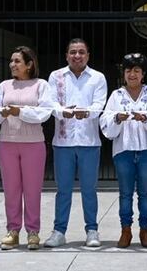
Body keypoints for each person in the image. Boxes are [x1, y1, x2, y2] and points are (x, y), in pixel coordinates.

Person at [44, 38, 108, 248]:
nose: (77, 56)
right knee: (63, 189)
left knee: (89, 189)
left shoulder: (97, 78)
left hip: (89, 141)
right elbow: (50, 104)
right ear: (66, 55)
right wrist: (66, 112)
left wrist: (85, 113)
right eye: (73, 52)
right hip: (63, 142)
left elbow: (99, 105)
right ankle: (59, 230)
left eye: (81, 52)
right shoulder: (56, 76)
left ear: (88, 55)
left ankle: (92, 229)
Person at [0, 46, 55, 250]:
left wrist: (19, 112)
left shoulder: (41, 85)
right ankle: (13, 230)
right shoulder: (4, 86)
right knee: (11, 189)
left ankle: (33, 231)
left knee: (32, 189)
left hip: (33, 144)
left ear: (29, 64)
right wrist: (4, 113)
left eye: (17, 61)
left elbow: (44, 114)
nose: (12, 65)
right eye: (11, 61)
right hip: (7, 143)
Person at [100, 53, 147, 249]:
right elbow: (105, 124)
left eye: (137, 70)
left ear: (143, 74)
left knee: (145, 192)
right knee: (125, 193)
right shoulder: (116, 96)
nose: (132, 74)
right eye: (128, 71)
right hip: (124, 150)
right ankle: (125, 230)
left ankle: (145, 230)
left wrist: (145, 118)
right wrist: (117, 119)